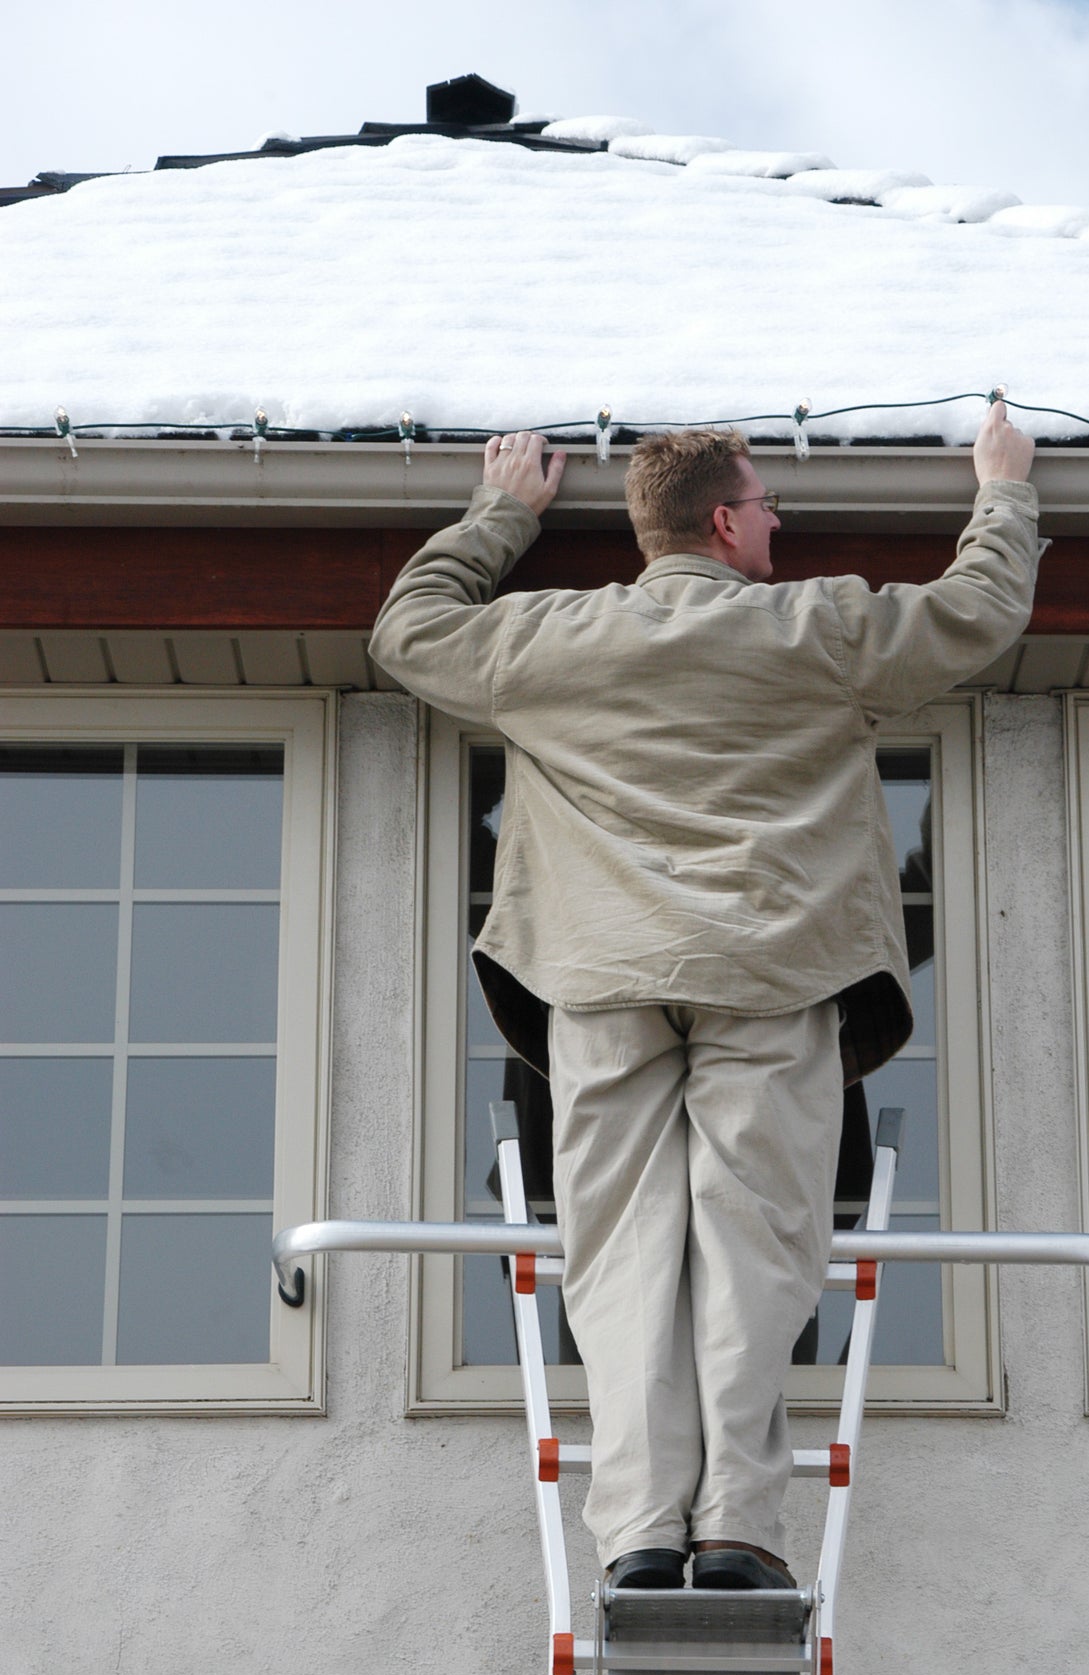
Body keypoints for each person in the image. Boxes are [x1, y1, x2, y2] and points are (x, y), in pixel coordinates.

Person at [370, 404, 1038, 1592]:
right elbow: (975, 612)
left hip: (600, 977)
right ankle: (734, 1527)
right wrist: (999, 490)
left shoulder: (550, 641)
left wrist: (499, 518)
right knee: (753, 1248)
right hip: (769, 975)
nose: (779, 519)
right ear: (726, 521)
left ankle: (634, 1533)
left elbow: (408, 632)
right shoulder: (819, 626)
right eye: (767, 502)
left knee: (618, 1256)